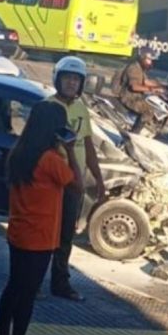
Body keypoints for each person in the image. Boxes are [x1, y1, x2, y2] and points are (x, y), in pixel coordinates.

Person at [0, 101, 82, 335]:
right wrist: (71, 150)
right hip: (41, 236)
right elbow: (76, 184)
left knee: (14, 286)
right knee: (28, 293)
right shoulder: (51, 160)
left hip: (19, 231)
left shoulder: (19, 152)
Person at [45, 56, 106, 301]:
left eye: (75, 80)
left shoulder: (82, 110)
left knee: (66, 235)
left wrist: (99, 181)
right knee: (46, 233)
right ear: (57, 79)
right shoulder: (48, 107)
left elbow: (88, 146)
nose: (71, 84)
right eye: (67, 78)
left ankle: (60, 283)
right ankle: (35, 281)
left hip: (74, 183)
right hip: (51, 183)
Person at [118, 47, 165, 128]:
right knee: (148, 111)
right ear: (142, 58)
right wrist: (152, 89)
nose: (151, 62)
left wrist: (161, 86)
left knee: (154, 105)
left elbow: (146, 81)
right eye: (149, 60)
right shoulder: (134, 68)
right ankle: (134, 134)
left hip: (137, 97)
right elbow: (134, 87)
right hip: (129, 98)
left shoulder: (140, 68)